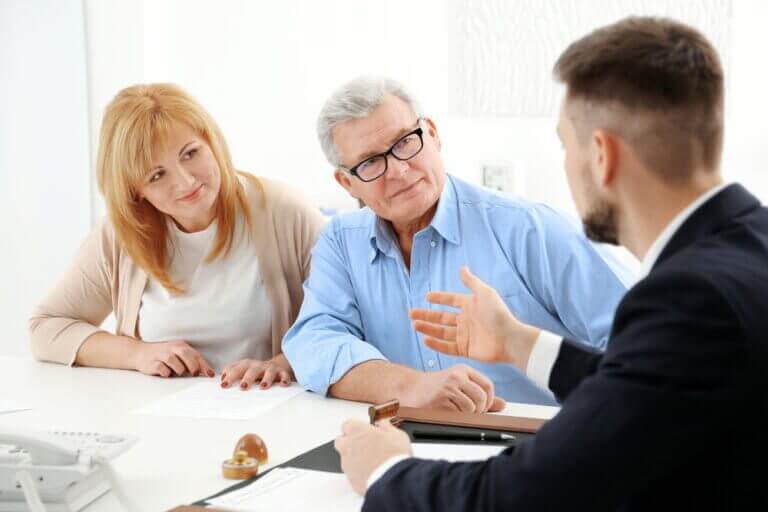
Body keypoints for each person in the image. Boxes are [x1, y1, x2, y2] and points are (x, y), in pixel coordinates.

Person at [334, 16, 768, 510]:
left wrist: (386, 469)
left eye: (564, 143)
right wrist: (520, 344)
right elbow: (650, 385)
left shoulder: (690, 299)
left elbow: (526, 496)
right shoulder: (750, 245)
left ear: (601, 155)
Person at [282, 76, 632, 408]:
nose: (399, 171)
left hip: (542, 449)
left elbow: (648, 345)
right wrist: (410, 386)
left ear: (432, 134)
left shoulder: (529, 228)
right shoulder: (341, 241)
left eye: (405, 142)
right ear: (347, 183)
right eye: (371, 162)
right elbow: (314, 341)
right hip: (411, 447)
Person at [29, 83, 325, 390]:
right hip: (160, 420)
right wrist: (137, 354)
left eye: (190, 153)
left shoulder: (285, 212)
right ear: (136, 193)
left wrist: (282, 364)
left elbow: (350, 322)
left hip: (268, 418)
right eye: (157, 175)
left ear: (211, 142)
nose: (185, 182)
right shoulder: (121, 236)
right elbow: (45, 328)